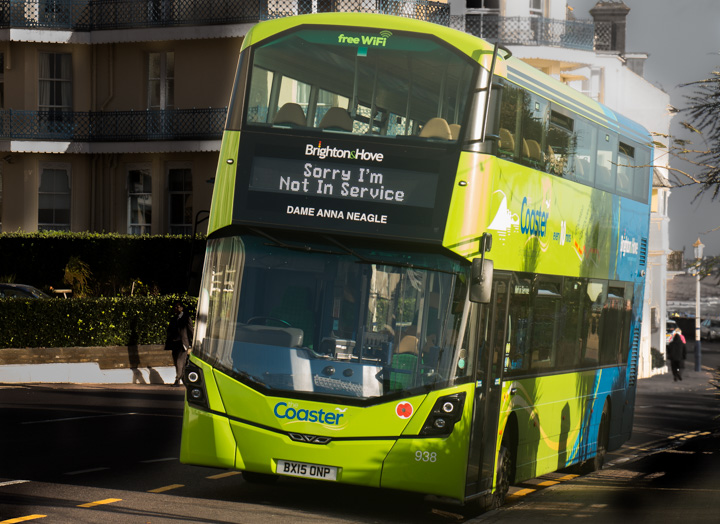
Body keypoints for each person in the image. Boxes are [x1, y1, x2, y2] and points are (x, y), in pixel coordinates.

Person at [165, 300, 194, 386]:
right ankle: (185, 380)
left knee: (179, 361)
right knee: (177, 362)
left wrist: (191, 343)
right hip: (174, 343)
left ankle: (177, 380)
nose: (176, 308)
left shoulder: (186, 318)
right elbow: (169, 330)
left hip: (183, 343)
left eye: (177, 307)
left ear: (182, 308)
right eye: (175, 307)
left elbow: (190, 331)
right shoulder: (173, 319)